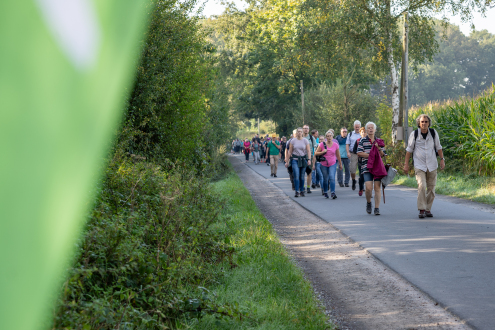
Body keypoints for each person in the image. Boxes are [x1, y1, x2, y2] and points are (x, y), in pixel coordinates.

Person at [404, 114, 445, 218]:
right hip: (419, 165)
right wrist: (406, 165)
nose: (424, 123)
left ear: (429, 123)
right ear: (419, 123)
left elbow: (438, 147)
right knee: (422, 185)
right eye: (422, 122)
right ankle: (422, 209)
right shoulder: (414, 134)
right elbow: (409, 151)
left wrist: (442, 159)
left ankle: (428, 209)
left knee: (431, 188)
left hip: (432, 164)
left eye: (426, 122)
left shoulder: (433, 133)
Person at [357, 122, 386, 215]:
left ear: (375, 129)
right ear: (366, 130)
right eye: (369, 128)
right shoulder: (362, 141)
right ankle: (369, 202)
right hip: (366, 167)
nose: (370, 129)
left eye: (372, 128)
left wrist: (379, 148)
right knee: (369, 188)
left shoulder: (379, 141)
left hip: (377, 167)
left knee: (377, 187)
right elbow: (359, 153)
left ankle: (377, 208)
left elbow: (383, 155)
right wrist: (371, 155)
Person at [315, 130, 342, 199]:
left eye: (330, 136)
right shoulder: (322, 144)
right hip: (324, 164)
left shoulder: (335, 145)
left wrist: (340, 164)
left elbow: (338, 155)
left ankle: (333, 192)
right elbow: (316, 153)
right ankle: (325, 192)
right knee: (325, 178)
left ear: (332, 137)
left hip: (332, 163)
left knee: (332, 177)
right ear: (326, 137)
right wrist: (322, 152)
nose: (329, 137)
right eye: (327, 136)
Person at [286, 127, 312, 197]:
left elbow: (308, 151)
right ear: (296, 133)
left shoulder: (305, 141)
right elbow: (290, 151)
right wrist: (287, 161)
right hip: (295, 160)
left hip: (303, 160)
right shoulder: (293, 141)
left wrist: (309, 159)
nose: (299, 133)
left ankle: (302, 190)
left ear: (302, 133)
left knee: (302, 176)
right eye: (298, 131)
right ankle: (297, 191)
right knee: (296, 175)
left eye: (301, 131)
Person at [346, 120, 362, 190]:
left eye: (358, 127)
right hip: (353, 153)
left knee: (362, 169)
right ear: (354, 127)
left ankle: (362, 184)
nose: (357, 128)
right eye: (356, 127)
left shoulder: (363, 134)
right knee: (352, 169)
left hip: (362, 154)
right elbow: (347, 144)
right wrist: (348, 152)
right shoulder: (350, 134)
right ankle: (353, 180)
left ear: (360, 127)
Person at [302, 125, 317, 194]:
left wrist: (315, 155)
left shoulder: (311, 137)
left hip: (309, 157)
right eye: (304, 128)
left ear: (308, 130)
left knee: (309, 173)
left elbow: (316, 146)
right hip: (301, 157)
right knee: (302, 173)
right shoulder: (300, 137)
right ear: (302, 129)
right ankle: (303, 187)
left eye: (307, 129)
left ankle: (308, 187)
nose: (305, 130)